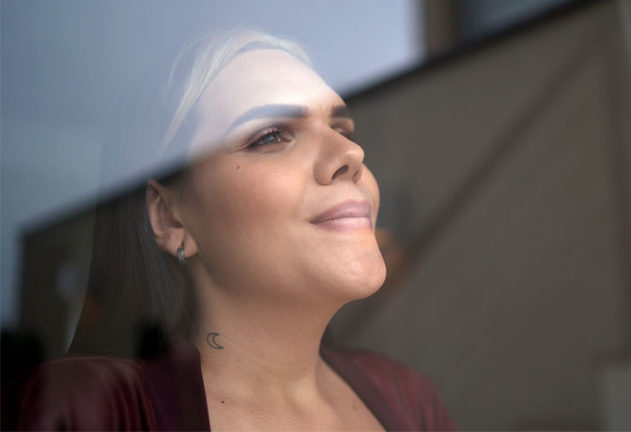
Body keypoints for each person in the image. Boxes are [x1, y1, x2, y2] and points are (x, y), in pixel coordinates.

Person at [2, 28, 455, 431]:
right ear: (170, 218)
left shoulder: (408, 400)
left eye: (343, 129)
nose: (350, 154)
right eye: (271, 136)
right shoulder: (84, 409)